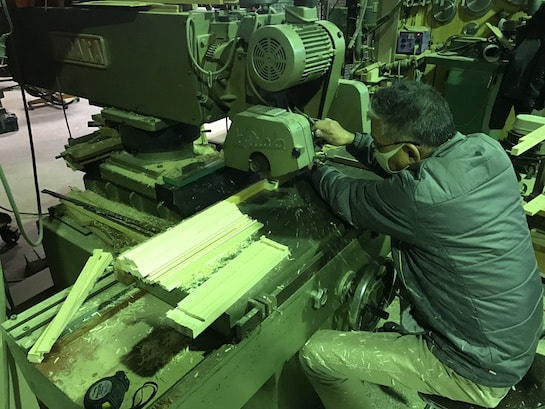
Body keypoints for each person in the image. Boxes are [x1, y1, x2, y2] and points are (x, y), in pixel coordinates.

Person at [299, 80, 544, 409]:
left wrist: (313, 168)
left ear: (412, 151)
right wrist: (351, 140)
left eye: (378, 143)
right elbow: (404, 162)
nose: (376, 148)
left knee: (316, 355)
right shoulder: (486, 149)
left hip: (477, 367)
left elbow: (349, 198)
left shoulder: (419, 196)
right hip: (516, 337)